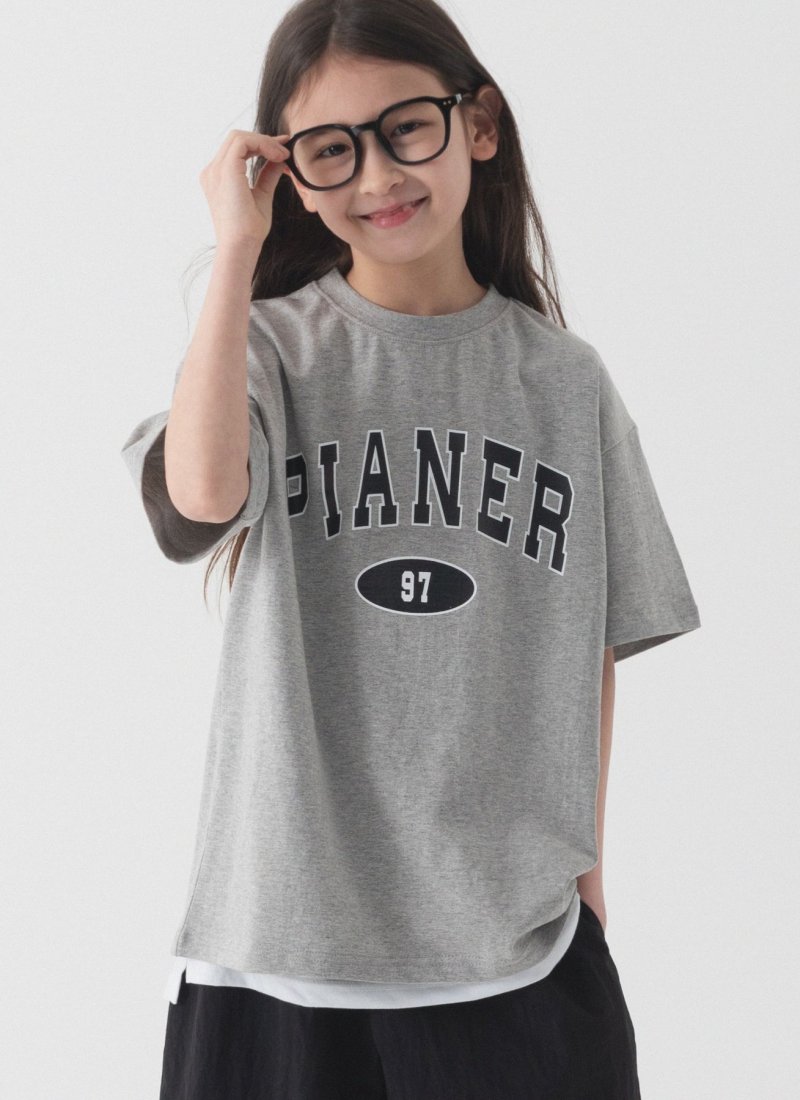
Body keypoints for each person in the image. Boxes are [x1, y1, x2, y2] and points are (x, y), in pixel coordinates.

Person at [120, 1, 701, 1096]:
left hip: (514, 950)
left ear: (477, 124)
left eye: (405, 129)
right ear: (289, 175)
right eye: (330, 149)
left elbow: (592, 635)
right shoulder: (267, 352)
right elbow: (198, 498)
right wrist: (237, 250)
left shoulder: (562, 381)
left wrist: (586, 873)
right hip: (276, 950)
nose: (377, 175)